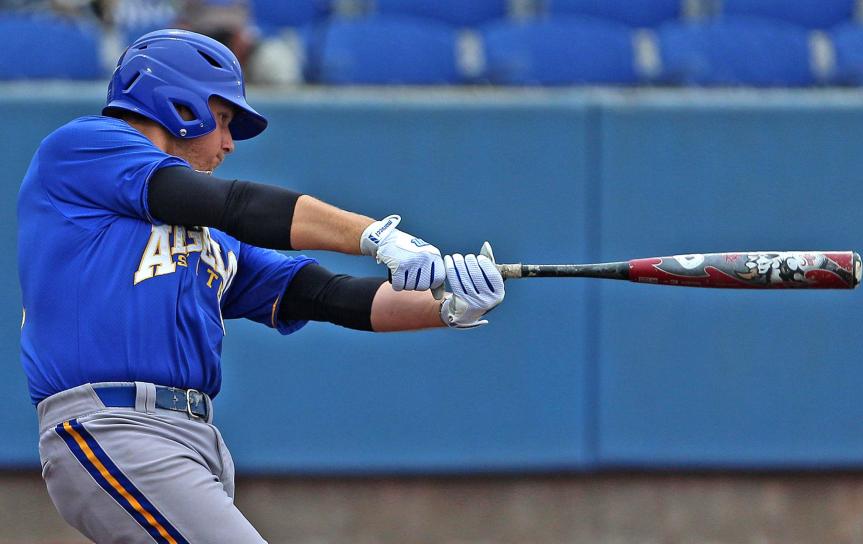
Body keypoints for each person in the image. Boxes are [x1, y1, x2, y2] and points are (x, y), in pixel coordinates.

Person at [18, 29, 505, 543]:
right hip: (115, 427)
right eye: (223, 119)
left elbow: (328, 295)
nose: (228, 143)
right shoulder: (84, 146)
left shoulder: (209, 240)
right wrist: (373, 235)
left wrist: (448, 304)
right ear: (179, 103)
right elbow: (235, 205)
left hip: (192, 440)